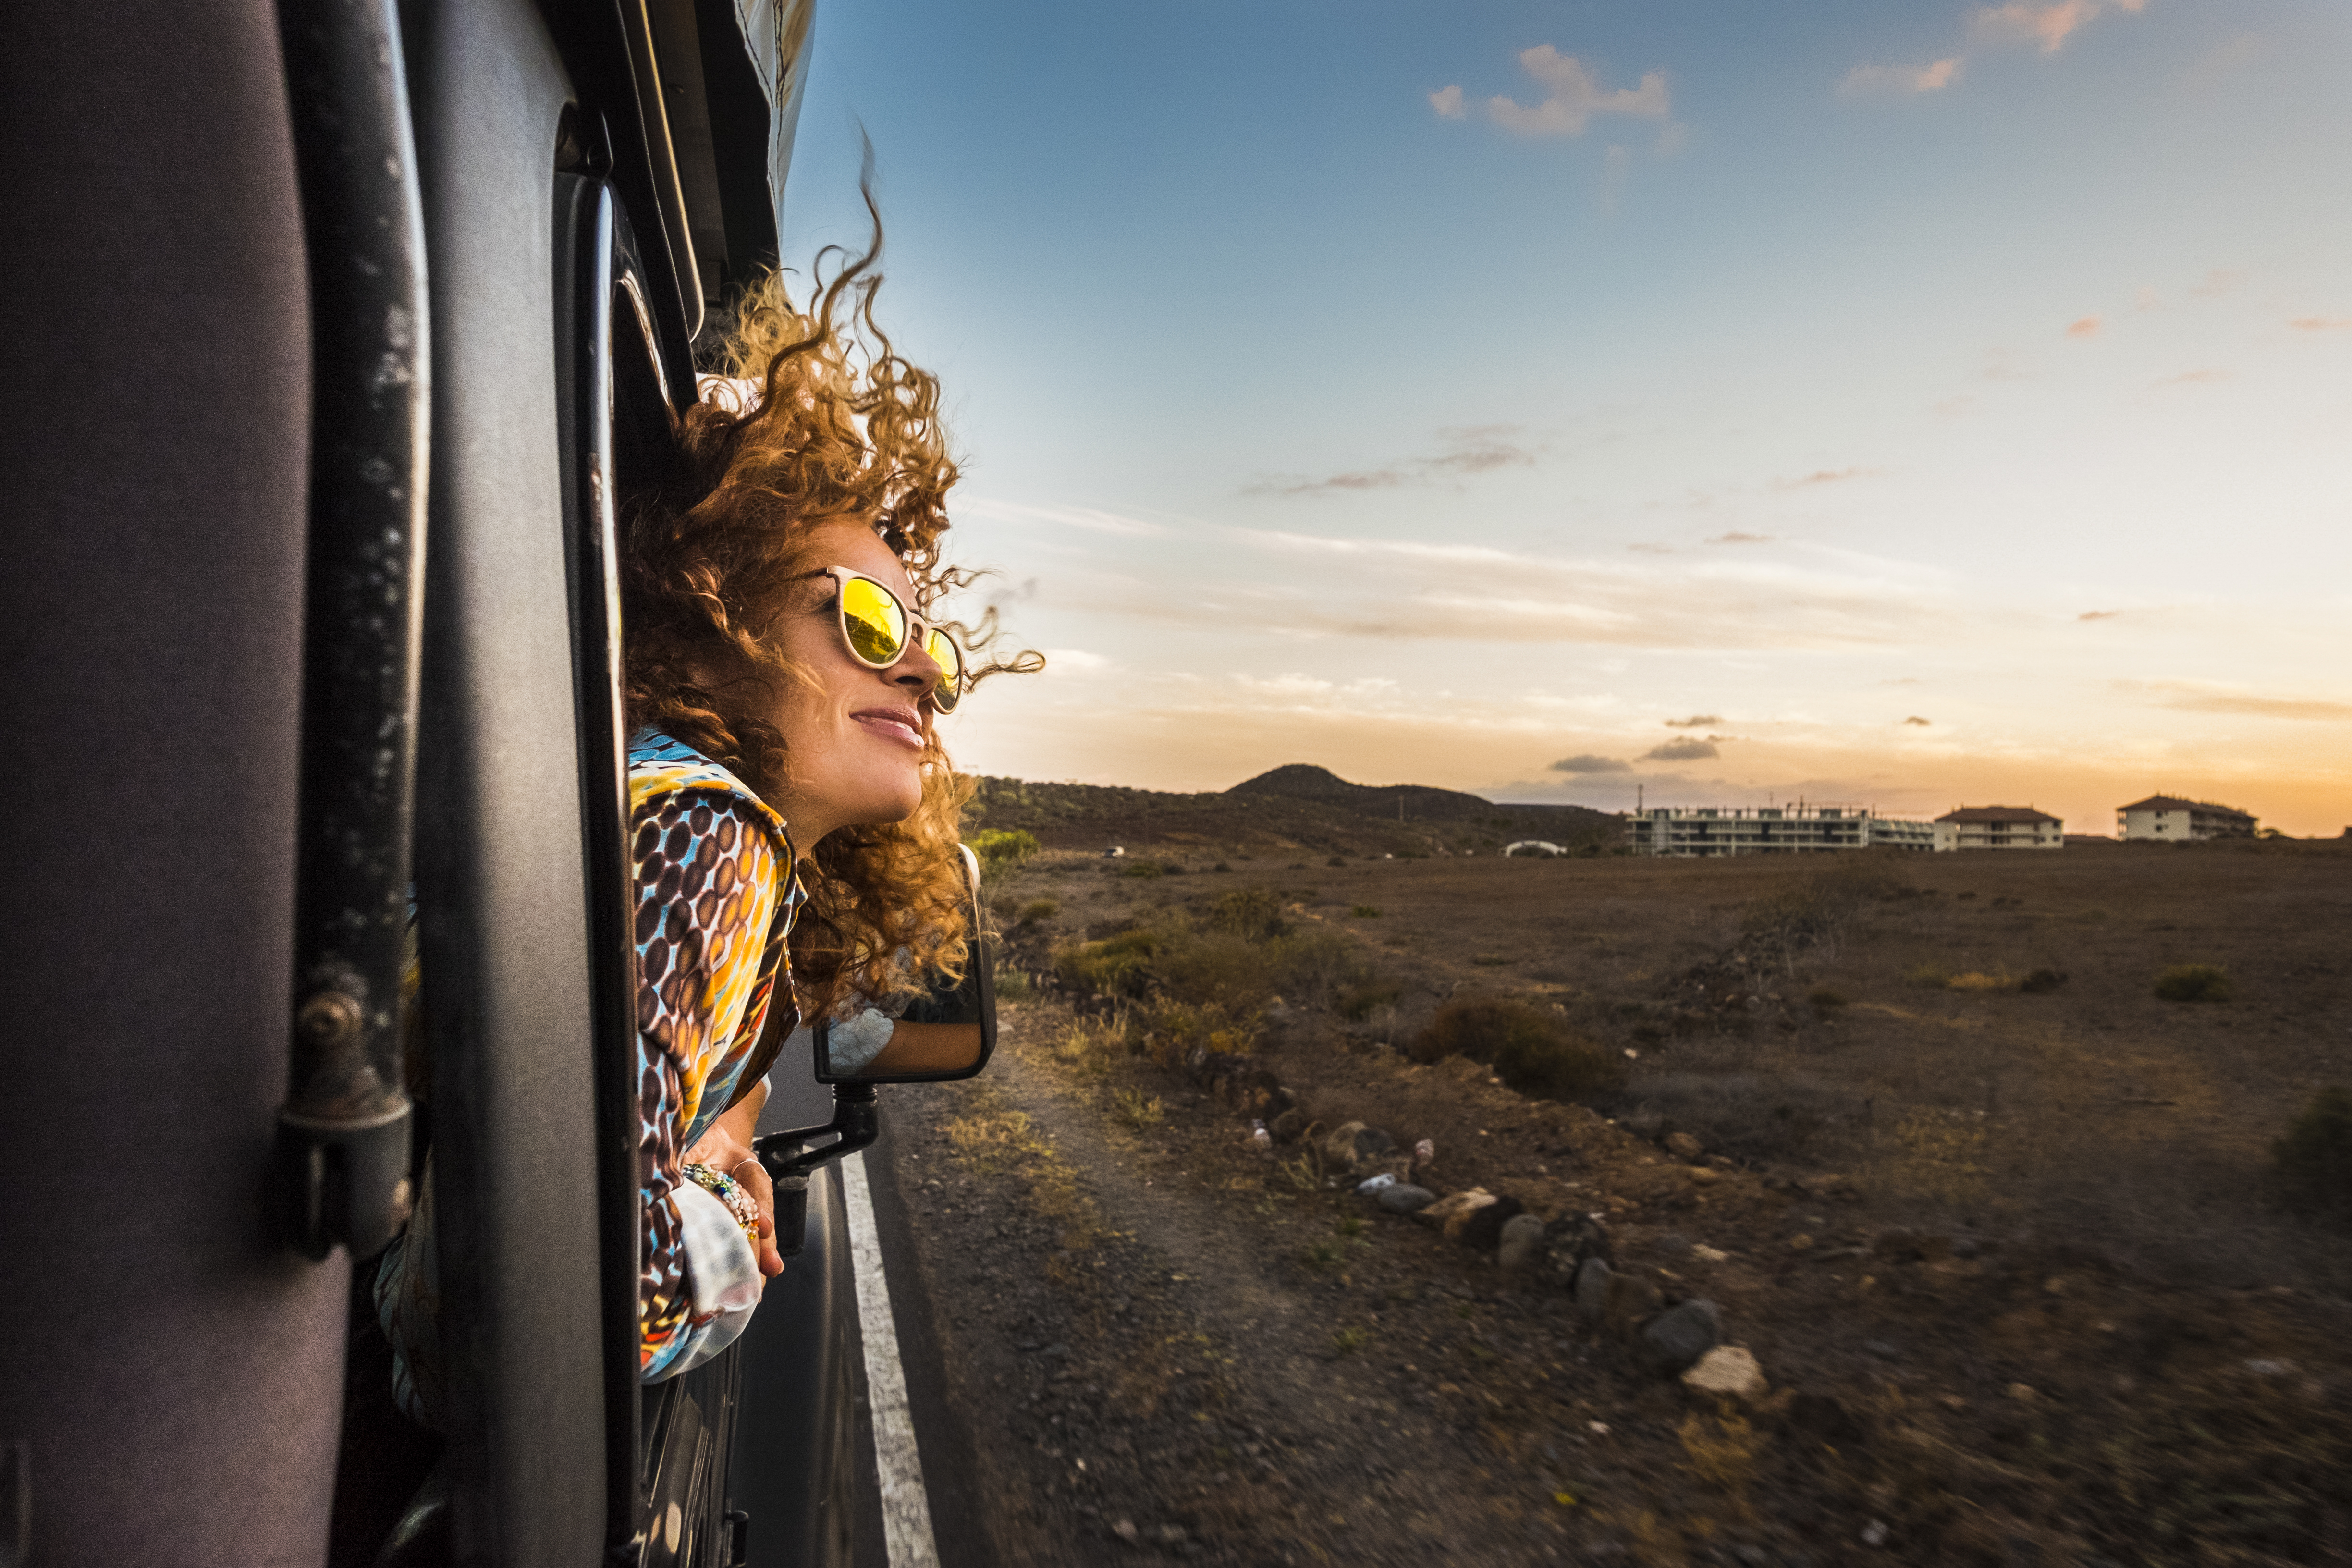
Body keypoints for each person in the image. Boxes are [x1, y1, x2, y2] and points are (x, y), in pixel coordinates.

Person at [374, 230, 1033, 1421]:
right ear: (707, 616)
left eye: (930, 649)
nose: (926, 677)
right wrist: (724, 1230)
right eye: (874, 625)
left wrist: (701, 1134)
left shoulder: (634, 814)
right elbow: (540, 1297)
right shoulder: (709, 836)